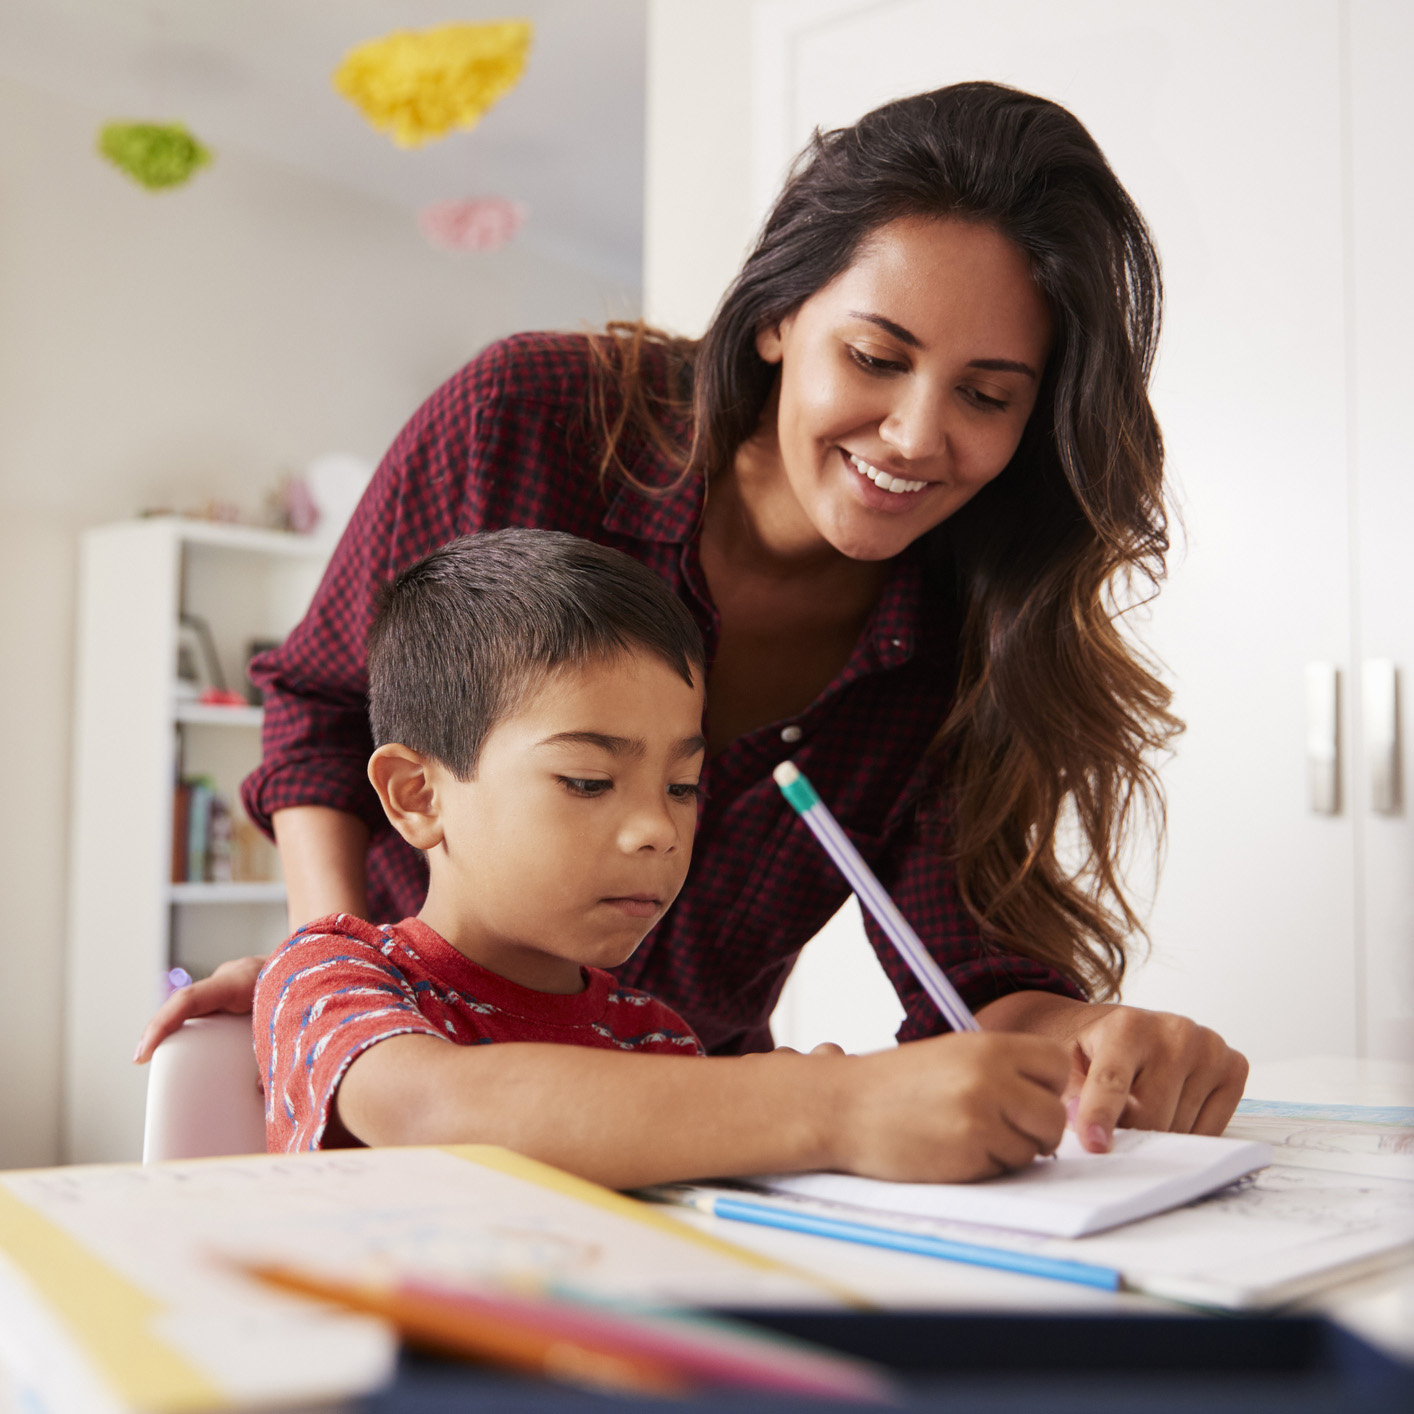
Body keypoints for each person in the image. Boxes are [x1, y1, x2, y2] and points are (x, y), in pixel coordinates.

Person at [137, 81, 1247, 1159]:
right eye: (874, 357)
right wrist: (330, 956)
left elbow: (970, 982)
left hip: (687, 1154)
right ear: (776, 316)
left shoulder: (967, 638)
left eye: (987, 394)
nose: (914, 433)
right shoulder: (524, 419)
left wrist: (1087, 1043)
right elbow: (324, 713)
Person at [263, 528, 1073, 1188]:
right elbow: (431, 1112)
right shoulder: (332, 975)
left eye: (683, 786)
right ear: (417, 795)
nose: (657, 828)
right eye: (588, 780)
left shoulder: (652, 1040)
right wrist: (831, 1105)